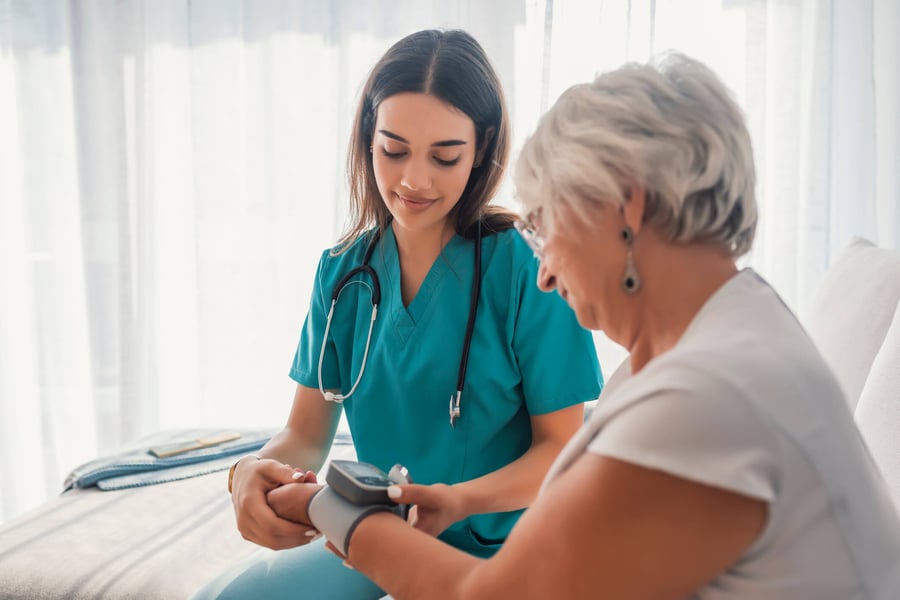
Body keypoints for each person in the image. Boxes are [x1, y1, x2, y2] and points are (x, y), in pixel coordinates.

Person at [267, 52, 900, 598]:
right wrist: (454, 502)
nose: (543, 273)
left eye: (547, 225)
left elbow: (488, 594)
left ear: (627, 205)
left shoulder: (707, 398)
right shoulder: (733, 329)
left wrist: (332, 507)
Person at [191, 29, 602, 599]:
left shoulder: (528, 266)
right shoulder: (342, 273)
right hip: (380, 540)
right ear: (368, 138)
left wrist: (457, 501)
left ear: (481, 149)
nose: (414, 180)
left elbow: (562, 450)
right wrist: (245, 477)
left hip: (515, 551)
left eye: (445, 156)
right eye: (394, 149)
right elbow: (306, 435)